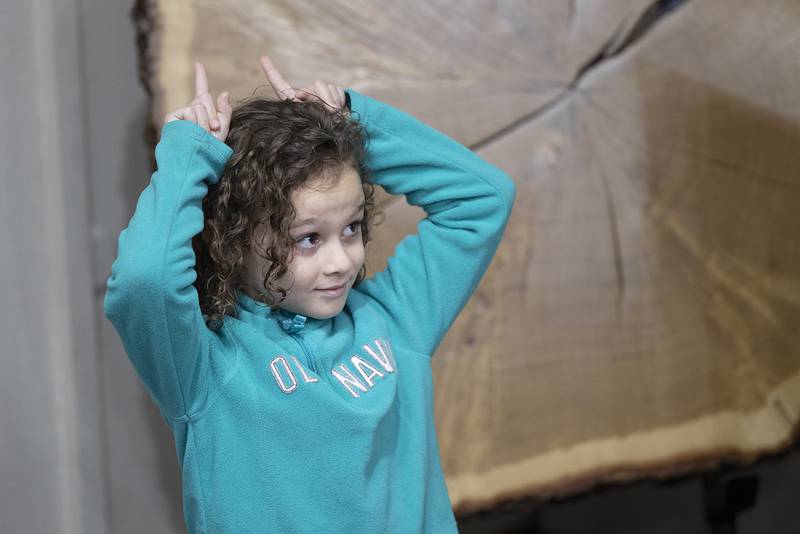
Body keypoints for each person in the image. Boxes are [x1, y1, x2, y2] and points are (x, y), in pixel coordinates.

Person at [104, 54, 516, 533]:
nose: (342, 260)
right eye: (308, 239)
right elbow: (143, 281)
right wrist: (187, 159)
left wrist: (352, 125)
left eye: (352, 227)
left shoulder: (396, 320)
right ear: (235, 242)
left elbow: (484, 198)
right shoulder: (204, 367)